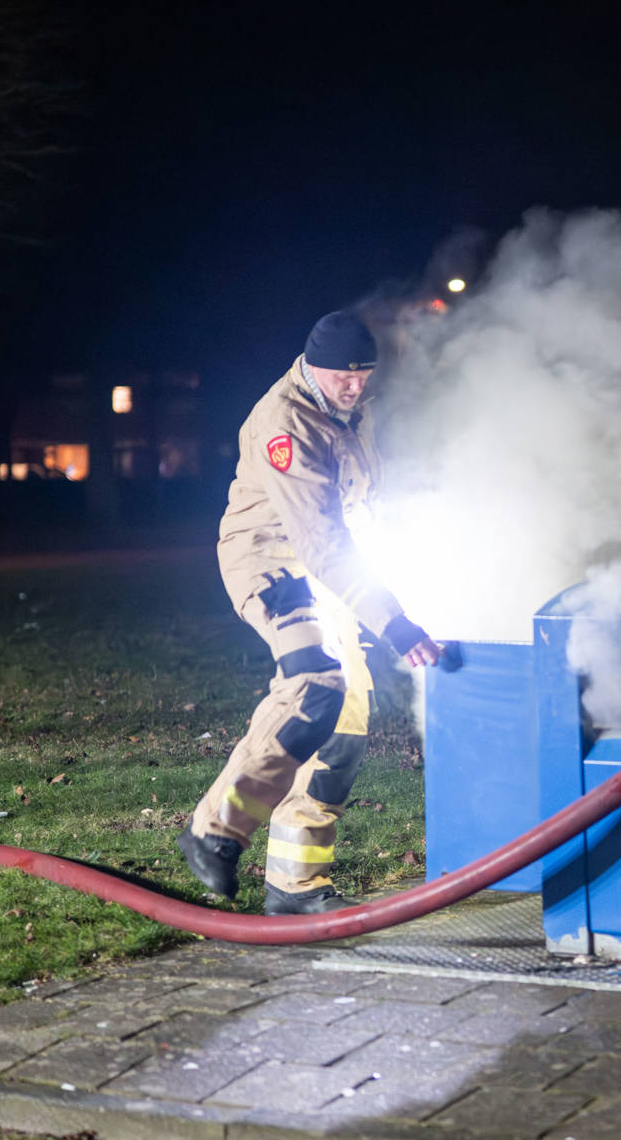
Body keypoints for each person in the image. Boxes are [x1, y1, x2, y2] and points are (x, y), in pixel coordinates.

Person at [178, 310, 442, 914]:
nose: (356, 386)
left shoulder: (355, 409)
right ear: (311, 366)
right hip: (271, 565)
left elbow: (361, 500)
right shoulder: (285, 422)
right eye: (343, 376)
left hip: (332, 568)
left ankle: (295, 889)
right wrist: (394, 621)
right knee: (315, 686)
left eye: (365, 375)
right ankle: (214, 829)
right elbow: (319, 543)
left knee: (343, 730)